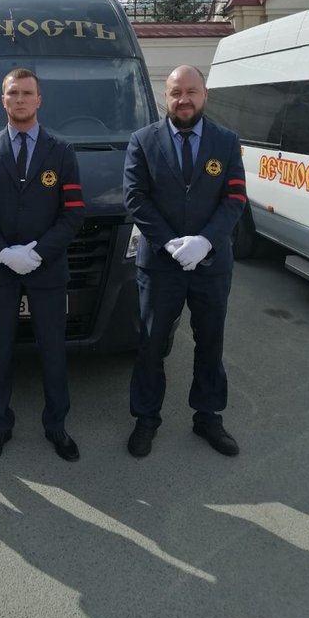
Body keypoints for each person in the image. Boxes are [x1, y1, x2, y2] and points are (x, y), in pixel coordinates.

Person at [123, 65, 247, 458]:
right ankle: (146, 418)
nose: (184, 100)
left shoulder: (226, 141)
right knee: (151, 344)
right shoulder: (143, 140)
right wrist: (171, 243)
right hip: (161, 264)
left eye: (191, 91)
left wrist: (205, 241)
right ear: (166, 97)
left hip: (211, 265)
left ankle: (208, 416)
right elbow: (135, 198)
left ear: (204, 94)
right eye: (176, 92)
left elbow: (235, 197)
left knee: (210, 341)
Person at [0, 68, 86, 463]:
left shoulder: (62, 151)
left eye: (27, 93)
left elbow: (73, 212)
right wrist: (4, 252)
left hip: (46, 268)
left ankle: (57, 425)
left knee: (53, 350)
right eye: (13, 93)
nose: (20, 99)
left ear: (39, 100)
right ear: (3, 99)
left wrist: (37, 253)